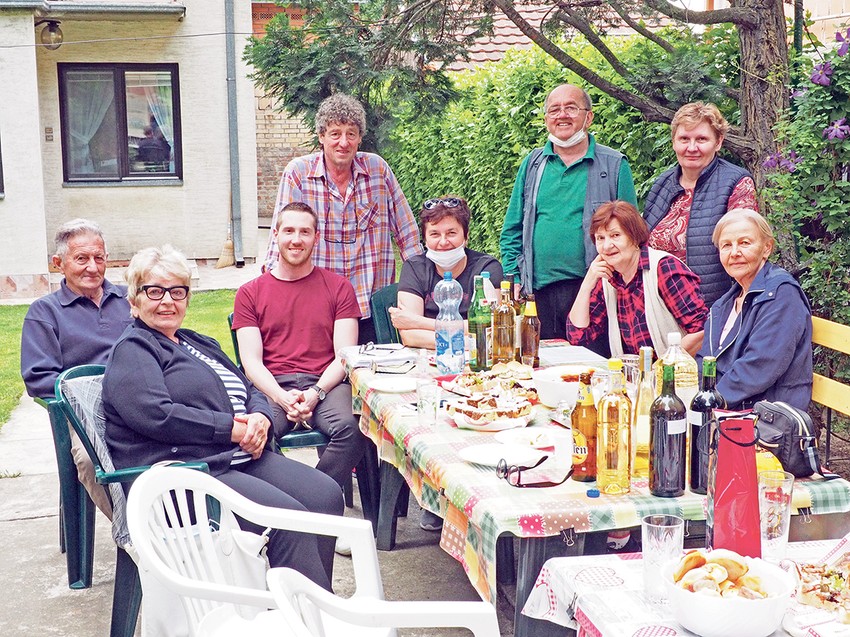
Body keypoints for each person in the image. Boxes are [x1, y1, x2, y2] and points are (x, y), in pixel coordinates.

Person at [102, 245, 343, 590]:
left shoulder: (194, 341)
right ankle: (304, 616)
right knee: (290, 521)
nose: (167, 300)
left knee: (326, 495)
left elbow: (248, 385)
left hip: (237, 457)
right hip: (188, 472)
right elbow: (157, 415)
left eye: (177, 291)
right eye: (154, 291)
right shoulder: (135, 349)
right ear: (134, 300)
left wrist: (261, 417)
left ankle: (316, 599)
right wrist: (230, 429)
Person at [263, 93, 423, 344]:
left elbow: (408, 235)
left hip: (372, 308)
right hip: (319, 310)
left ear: (360, 138)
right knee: (327, 379)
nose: (343, 142)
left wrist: (423, 285)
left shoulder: (378, 171)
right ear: (321, 137)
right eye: (335, 133)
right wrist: (269, 292)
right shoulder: (298, 174)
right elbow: (281, 240)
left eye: (351, 133)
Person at [235, 202, 367, 494]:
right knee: (256, 434)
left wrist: (315, 393)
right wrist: (281, 398)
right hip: (272, 386)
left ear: (316, 237)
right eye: (289, 231)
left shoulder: (339, 287)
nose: (296, 239)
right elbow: (251, 362)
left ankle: (311, 498)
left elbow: (344, 355)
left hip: (327, 385)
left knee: (355, 427)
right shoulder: (249, 293)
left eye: (305, 232)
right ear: (276, 235)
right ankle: (290, 502)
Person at [499, 83, 637, 342]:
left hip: (596, 293)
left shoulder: (615, 165)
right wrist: (512, 277)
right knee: (541, 368)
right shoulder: (533, 164)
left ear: (589, 117)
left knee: (590, 369)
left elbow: (633, 235)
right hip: (537, 294)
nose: (562, 115)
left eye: (571, 108)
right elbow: (512, 229)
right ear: (546, 119)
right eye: (554, 110)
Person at [21, 218, 133, 518]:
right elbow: (39, 378)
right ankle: (136, 532)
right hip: (86, 411)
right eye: (81, 258)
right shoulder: (44, 312)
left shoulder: (131, 300)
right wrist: (98, 392)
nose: (93, 268)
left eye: (99, 258)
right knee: (88, 460)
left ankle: (184, 524)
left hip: (140, 402)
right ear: (59, 263)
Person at [644, 102, 758, 306]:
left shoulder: (736, 183)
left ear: (718, 142)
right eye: (684, 139)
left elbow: (744, 251)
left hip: (712, 307)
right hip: (660, 305)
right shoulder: (662, 184)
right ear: (674, 142)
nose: (692, 148)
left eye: (702, 139)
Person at [698, 209, 812, 410]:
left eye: (745, 243)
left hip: (765, 419)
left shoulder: (781, 294)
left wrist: (708, 402)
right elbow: (704, 359)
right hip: (730, 409)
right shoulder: (726, 303)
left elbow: (760, 366)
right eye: (726, 245)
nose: (734, 253)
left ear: (766, 248)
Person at [566, 201, 708, 356]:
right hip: (634, 376)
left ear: (634, 237)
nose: (606, 246)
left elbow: (701, 332)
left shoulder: (664, 268)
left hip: (676, 375)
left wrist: (659, 369)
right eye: (600, 238)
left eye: (615, 235)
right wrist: (588, 282)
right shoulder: (608, 276)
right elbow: (577, 336)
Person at [389, 196, 503, 349]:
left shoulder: (487, 268)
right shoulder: (414, 268)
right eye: (435, 234)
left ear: (466, 236)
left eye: (451, 233)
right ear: (425, 239)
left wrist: (419, 322)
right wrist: (470, 340)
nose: (443, 242)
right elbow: (409, 336)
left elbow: (491, 325)